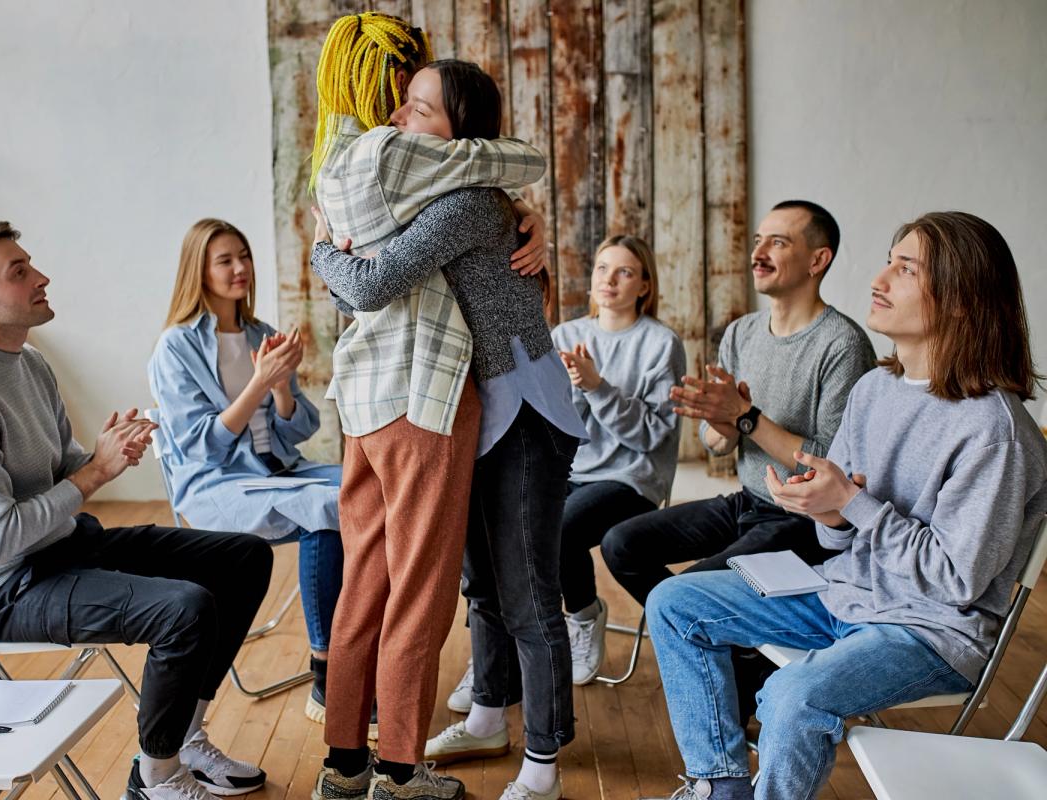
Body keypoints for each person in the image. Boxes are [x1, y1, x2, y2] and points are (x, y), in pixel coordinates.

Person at [645, 210, 1047, 800]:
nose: (879, 279)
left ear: (961, 299)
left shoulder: (995, 431)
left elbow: (957, 582)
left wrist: (852, 503)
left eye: (905, 269)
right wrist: (829, 514)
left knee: (790, 697)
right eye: (890, 259)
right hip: (845, 593)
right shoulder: (874, 389)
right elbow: (843, 539)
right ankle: (718, 787)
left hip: (928, 631)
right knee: (675, 601)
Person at [0, 221, 274, 800]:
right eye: (19, 271)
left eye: (31, 263)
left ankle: (183, 737)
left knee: (243, 557)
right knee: (186, 609)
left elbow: (60, 465)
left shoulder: (28, 362)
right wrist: (94, 471)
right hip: (7, 588)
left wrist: (107, 452)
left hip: (65, 547)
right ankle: (155, 778)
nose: (41, 277)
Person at [313, 59, 585, 800]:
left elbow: (367, 283)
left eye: (420, 110)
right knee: (481, 589)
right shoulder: (434, 196)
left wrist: (321, 247)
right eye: (401, 107)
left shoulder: (464, 202)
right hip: (458, 409)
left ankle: (544, 763)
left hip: (520, 409)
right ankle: (490, 715)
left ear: (461, 133)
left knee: (528, 594)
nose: (401, 121)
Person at [446, 234, 684, 708]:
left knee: (556, 529)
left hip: (631, 477)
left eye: (624, 272)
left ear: (644, 286)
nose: (609, 281)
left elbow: (653, 437)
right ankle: (494, 662)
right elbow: (555, 425)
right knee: (497, 531)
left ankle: (582, 613)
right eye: (602, 269)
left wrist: (598, 388)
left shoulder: (661, 344)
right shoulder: (565, 336)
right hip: (570, 469)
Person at [601, 200, 875, 606]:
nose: (758, 254)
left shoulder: (842, 344)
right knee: (622, 544)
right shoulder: (741, 332)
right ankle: (726, 642)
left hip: (804, 520)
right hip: (747, 501)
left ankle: (716, 635)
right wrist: (724, 426)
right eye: (758, 240)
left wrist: (746, 418)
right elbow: (717, 443)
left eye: (777, 243)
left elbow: (833, 466)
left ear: (818, 260)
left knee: (683, 594)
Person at [148, 218, 350, 730]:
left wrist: (281, 388)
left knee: (372, 489)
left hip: (280, 470)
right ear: (200, 270)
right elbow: (202, 448)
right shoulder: (176, 348)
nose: (240, 268)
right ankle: (327, 673)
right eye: (224, 260)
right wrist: (259, 382)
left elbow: (300, 427)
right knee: (326, 509)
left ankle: (363, 642)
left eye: (244, 255)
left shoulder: (262, 334)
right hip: (217, 486)